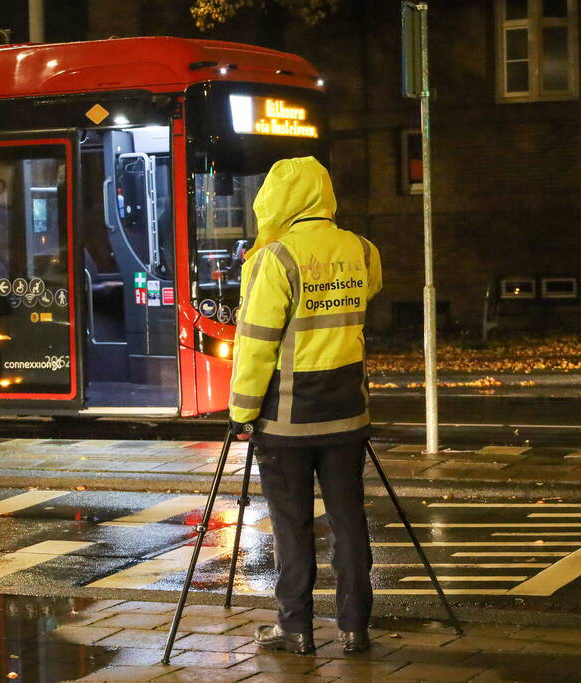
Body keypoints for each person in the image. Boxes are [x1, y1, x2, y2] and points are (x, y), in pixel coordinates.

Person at [229, 156, 382, 655]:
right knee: (348, 521)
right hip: (347, 414)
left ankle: (295, 629)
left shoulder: (276, 259)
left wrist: (241, 413)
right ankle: (356, 628)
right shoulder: (362, 250)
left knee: (291, 526)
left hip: (287, 420)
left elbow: (256, 344)